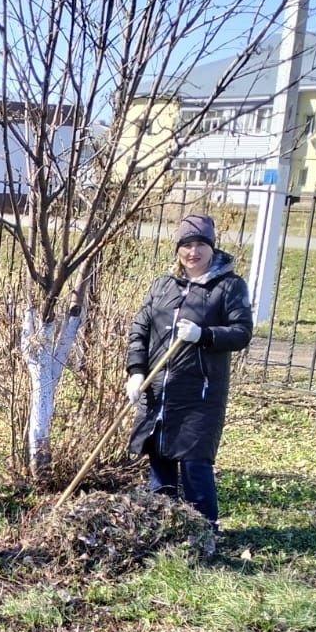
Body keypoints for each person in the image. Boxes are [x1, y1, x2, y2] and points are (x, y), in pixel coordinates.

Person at [126, 213, 253, 525]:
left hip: (200, 394)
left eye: (200, 244)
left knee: (195, 463)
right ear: (177, 249)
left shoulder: (229, 287)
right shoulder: (163, 286)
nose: (192, 252)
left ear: (212, 247)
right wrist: (136, 371)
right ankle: (162, 528)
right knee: (160, 458)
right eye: (186, 245)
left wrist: (204, 335)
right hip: (158, 391)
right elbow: (139, 329)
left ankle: (204, 530)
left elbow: (241, 332)